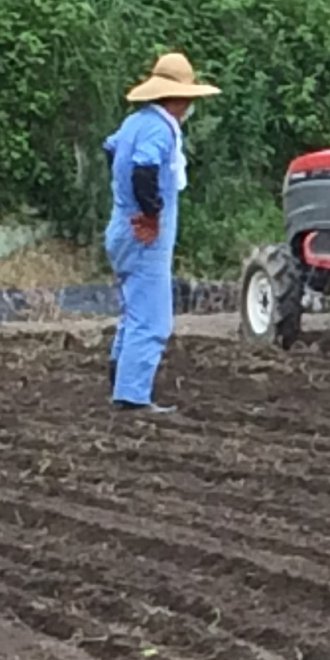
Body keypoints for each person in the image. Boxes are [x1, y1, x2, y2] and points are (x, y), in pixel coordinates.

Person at [102, 52, 220, 412]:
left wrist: (125, 200)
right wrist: (150, 214)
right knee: (152, 318)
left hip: (121, 226)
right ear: (178, 98)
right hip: (142, 234)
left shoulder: (134, 123)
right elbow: (143, 170)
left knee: (134, 310)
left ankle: (121, 377)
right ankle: (132, 396)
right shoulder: (158, 128)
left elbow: (110, 149)